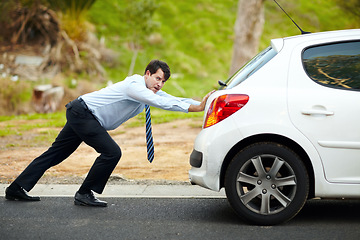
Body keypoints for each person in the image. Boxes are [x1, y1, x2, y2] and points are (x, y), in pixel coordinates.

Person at [5, 60, 214, 207]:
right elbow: (161, 102)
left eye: (163, 81)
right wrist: (193, 109)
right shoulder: (135, 86)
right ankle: (85, 193)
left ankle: (16, 189)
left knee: (55, 155)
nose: (159, 85)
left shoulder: (150, 91)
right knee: (112, 152)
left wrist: (203, 105)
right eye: (157, 78)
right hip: (84, 113)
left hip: (82, 114)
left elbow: (172, 98)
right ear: (147, 74)